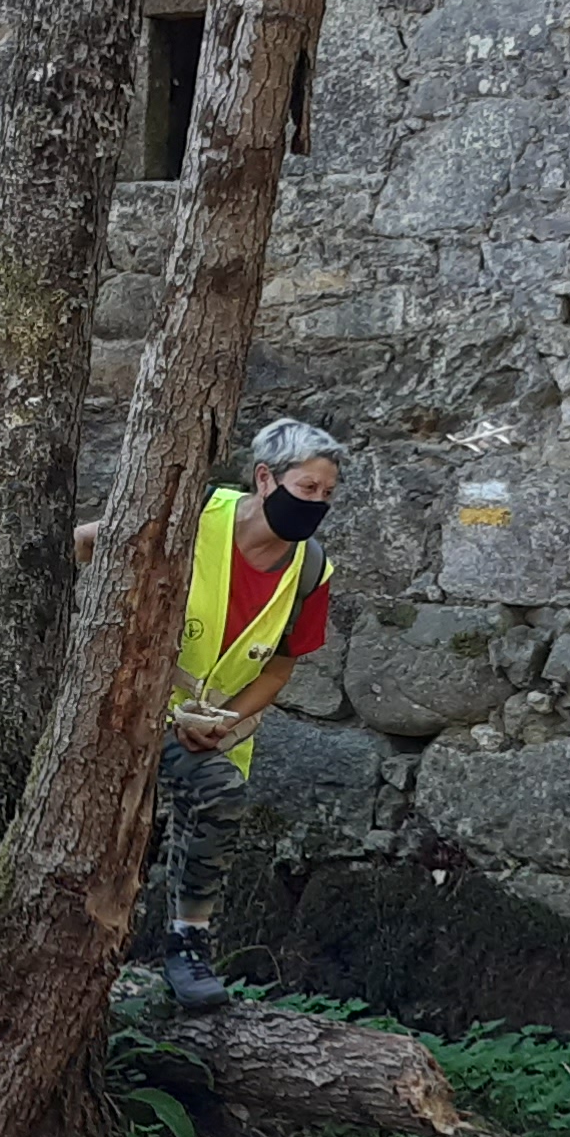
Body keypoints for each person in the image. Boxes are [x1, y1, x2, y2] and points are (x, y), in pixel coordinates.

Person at [84, 416, 345, 1011]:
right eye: (307, 489)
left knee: (217, 799)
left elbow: (281, 665)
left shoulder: (310, 570)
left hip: (211, 730)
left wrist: (223, 719)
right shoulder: (194, 513)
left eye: (328, 494)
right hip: (125, 707)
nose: (318, 504)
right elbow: (87, 543)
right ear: (264, 479)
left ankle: (186, 944)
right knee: (118, 829)